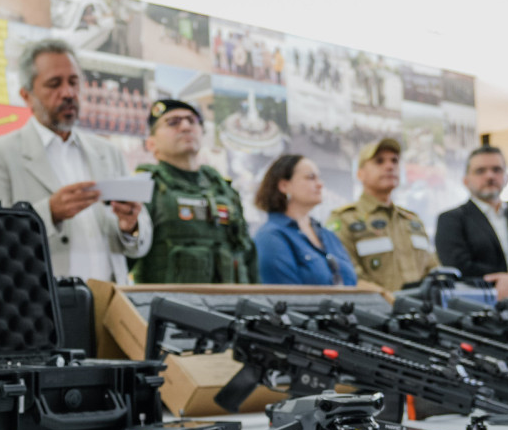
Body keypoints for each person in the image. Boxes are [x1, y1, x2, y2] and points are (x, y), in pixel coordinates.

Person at [0, 38, 151, 285]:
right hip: (41, 301)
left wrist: (130, 225)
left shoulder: (109, 152)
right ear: (26, 95)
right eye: (54, 84)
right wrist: (49, 213)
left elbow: (140, 242)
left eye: (74, 82)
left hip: (112, 301)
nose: (68, 93)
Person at [132, 98, 255, 284]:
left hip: (234, 301)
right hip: (170, 302)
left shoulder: (224, 190)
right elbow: (125, 256)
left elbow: (248, 255)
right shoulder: (146, 187)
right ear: (151, 143)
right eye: (173, 122)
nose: (185, 127)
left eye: (192, 121)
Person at [435, 145, 508, 299]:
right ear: (466, 180)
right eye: (480, 171)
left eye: (497, 169)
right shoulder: (451, 220)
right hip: (479, 305)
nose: (490, 176)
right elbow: (458, 266)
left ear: (507, 177)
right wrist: (503, 282)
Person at [327, 138, 438, 292]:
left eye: (394, 161)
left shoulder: (412, 220)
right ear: (360, 174)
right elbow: (348, 277)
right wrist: (388, 299)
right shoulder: (344, 219)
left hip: (422, 305)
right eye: (379, 161)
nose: (390, 166)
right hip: (376, 306)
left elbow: (432, 269)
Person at [253, 154, 357, 286]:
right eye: (311, 177)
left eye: (319, 178)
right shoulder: (271, 237)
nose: (320, 184)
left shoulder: (328, 236)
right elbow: (284, 295)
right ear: (284, 185)